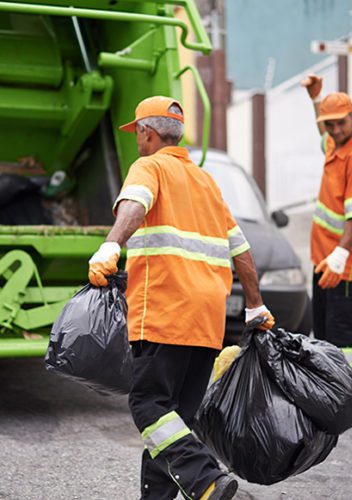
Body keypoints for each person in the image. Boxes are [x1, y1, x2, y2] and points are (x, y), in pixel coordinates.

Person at [88, 96, 275, 500]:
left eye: (137, 133)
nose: (137, 141)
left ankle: (205, 477)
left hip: (164, 311)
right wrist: (256, 304)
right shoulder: (207, 181)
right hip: (207, 320)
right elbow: (240, 249)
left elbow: (135, 206)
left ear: (147, 132)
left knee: (148, 405)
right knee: (174, 424)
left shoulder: (149, 166)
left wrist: (110, 247)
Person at [301, 75, 352, 411]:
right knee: (326, 334)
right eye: (329, 124)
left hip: (344, 267)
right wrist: (316, 98)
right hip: (325, 261)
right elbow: (324, 135)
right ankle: (332, 394)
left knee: (346, 338)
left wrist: (339, 256)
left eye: (339, 123)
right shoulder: (337, 145)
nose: (334, 129)